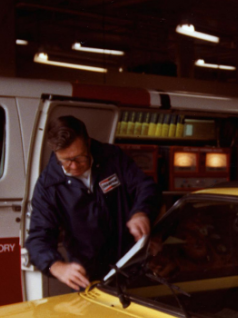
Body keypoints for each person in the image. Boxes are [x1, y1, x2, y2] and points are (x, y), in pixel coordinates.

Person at [26, 116, 160, 290]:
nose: (74, 166)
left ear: (88, 143)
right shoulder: (49, 185)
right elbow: (38, 238)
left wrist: (141, 212)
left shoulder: (112, 158)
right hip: (91, 278)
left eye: (79, 157)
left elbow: (146, 187)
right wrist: (56, 266)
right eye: (65, 161)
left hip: (134, 264)